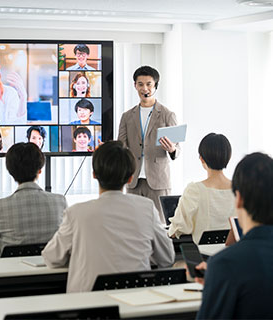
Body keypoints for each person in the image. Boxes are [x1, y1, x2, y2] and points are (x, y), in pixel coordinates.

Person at [42, 141, 175, 293]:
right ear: (131, 177)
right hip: (136, 302)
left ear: (93, 174)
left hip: (88, 307)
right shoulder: (147, 208)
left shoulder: (76, 213)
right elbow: (167, 258)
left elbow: (51, 258)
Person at [193, 153, 273, 319]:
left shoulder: (225, 264)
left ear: (239, 199)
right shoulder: (224, 267)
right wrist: (218, 279)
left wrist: (220, 276)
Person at [0, 142, 67, 257]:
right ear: (40, 170)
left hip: (11, 273)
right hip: (52, 273)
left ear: (10, 171)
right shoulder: (60, 202)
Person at [118, 66, 180, 222]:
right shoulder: (127, 116)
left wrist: (172, 149)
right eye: (140, 84)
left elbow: (177, 149)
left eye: (148, 84)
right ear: (135, 86)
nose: (144, 88)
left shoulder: (167, 115)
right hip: (134, 179)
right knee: (132, 224)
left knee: (160, 225)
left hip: (158, 181)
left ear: (155, 86)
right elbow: (121, 146)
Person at [169, 133, 235, 243]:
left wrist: (170, 230)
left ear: (201, 159)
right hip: (235, 254)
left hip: (205, 256)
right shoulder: (241, 189)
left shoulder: (195, 190)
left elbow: (179, 228)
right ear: (228, 156)